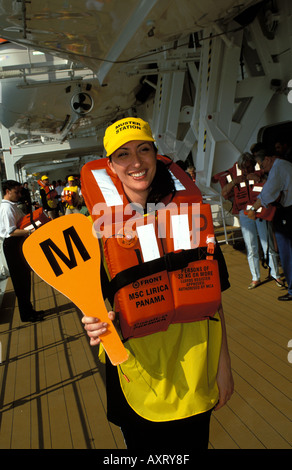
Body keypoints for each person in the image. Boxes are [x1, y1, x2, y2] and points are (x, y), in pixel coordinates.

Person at [80, 117, 234, 450]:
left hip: (197, 373)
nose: (136, 162)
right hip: (138, 377)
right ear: (110, 165)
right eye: (123, 154)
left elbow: (215, 303)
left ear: (155, 154)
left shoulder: (191, 216)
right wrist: (95, 324)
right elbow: (92, 308)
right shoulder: (97, 235)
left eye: (144, 149)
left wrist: (224, 367)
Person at [220, 152, 282, 289]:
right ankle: (255, 277)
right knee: (251, 246)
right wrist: (233, 182)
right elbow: (224, 193)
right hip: (245, 214)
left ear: (254, 166)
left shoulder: (263, 175)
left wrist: (259, 180)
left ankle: (275, 275)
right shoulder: (236, 179)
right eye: (243, 168)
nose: (246, 171)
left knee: (268, 245)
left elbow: (272, 191)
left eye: (249, 167)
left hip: (260, 212)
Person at [247, 152, 292, 301]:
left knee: (287, 253)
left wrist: (253, 209)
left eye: (262, 165)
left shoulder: (277, 168)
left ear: (268, 158)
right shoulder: (286, 165)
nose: (263, 169)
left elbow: (267, 192)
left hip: (287, 213)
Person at [0, 180, 44, 322]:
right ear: (7, 191)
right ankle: (26, 314)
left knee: (24, 279)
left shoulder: (11, 206)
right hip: (12, 245)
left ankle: (29, 310)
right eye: (16, 192)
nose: (19, 194)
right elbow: (10, 232)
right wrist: (32, 230)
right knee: (20, 281)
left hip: (17, 244)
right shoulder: (6, 208)